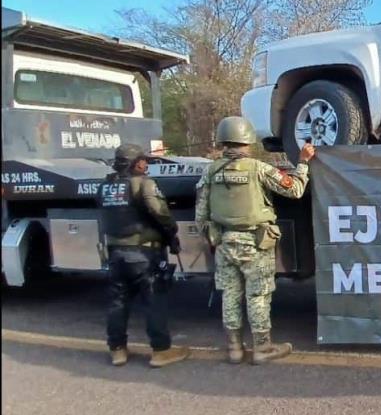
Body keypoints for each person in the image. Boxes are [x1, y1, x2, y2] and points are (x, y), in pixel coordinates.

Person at [195, 116, 315, 365]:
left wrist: (213, 237)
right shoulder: (258, 168)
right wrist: (303, 162)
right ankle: (262, 348)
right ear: (247, 141)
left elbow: (200, 215)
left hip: (225, 242)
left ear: (223, 141)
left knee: (230, 294)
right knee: (258, 296)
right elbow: (294, 189)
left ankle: (235, 348)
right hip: (256, 243)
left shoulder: (210, 171)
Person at [97, 143, 187, 367]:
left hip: (115, 252)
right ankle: (160, 351)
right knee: (154, 300)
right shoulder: (144, 184)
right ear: (136, 163)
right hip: (143, 253)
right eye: (143, 160)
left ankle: (117, 350)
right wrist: (172, 234)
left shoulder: (105, 186)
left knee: (118, 302)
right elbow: (160, 213)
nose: (146, 164)